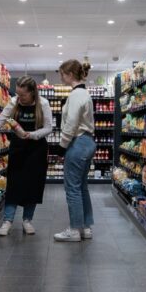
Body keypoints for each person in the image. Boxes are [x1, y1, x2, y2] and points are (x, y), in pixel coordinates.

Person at [0, 75, 52, 236]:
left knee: (33, 185)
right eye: (18, 94)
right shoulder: (13, 102)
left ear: (32, 92)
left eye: (23, 95)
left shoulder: (43, 104)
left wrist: (32, 135)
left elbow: (48, 128)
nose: (20, 97)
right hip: (18, 147)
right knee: (14, 184)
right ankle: (7, 221)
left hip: (37, 148)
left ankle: (27, 221)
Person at [54, 59, 96, 243]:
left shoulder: (76, 95)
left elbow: (71, 123)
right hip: (87, 142)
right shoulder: (84, 93)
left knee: (72, 188)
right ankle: (85, 227)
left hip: (77, 142)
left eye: (62, 74)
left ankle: (74, 230)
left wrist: (62, 146)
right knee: (82, 186)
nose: (61, 78)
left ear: (70, 74)